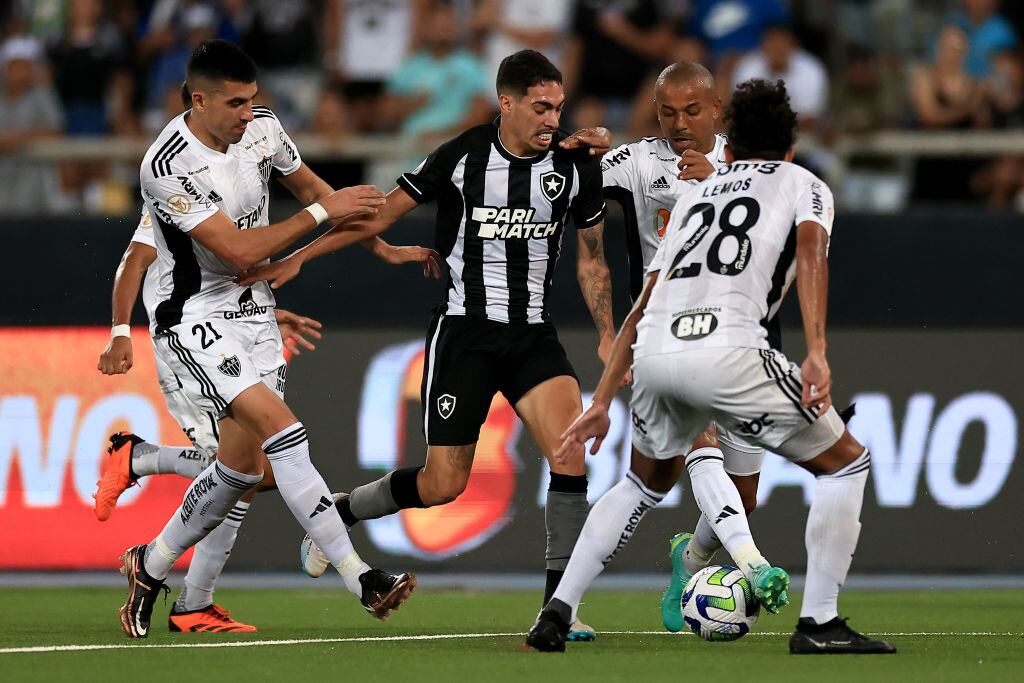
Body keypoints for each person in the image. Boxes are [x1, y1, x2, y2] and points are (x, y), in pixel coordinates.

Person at [241, 49, 616, 642]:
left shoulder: (574, 167)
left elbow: (592, 259)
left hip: (533, 337)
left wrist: (607, 334)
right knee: (445, 484)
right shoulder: (462, 155)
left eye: (559, 108)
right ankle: (341, 511)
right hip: (465, 334)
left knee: (569, 456)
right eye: (541, 107)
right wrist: (299, 258)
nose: (553, 119)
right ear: (507, 103)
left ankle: (558, 610)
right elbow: (377, 217)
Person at [526, 79, 897, 656]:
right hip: (730, 350)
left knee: (642, 484)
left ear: (731, 138)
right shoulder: (804, 183)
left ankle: (556, 613)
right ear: (789, 148)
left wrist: (601, 400)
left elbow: (645, 301)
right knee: (846, 464)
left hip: (656, 352)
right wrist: (818, 351)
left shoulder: (697, 197)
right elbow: (810, 254)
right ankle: (820, 623)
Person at [117, 39, 416, 639]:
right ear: (198, 100)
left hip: (254, 309)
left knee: (241, 470)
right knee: (285, 431)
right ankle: (361, 577)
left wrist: (376, 242)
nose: (246, 114)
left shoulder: (263, 127)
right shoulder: (167, 165)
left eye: (252, 99)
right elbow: (238, 249)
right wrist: (325, 213)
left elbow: (311, 188)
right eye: (234, 103)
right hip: (191, 315)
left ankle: (150, 564)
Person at [601, 61, 776, 634]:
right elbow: (573, 187)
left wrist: (720, 179)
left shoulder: (747, 164)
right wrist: (582, 151)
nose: (679, 124)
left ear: (717, 109)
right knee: (696, 449)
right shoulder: (635, 163)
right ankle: (753, 565)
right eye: (668, 113)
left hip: (741, 334)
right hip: (667, 336)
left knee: (743, 496)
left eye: (692, 111)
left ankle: (692, 557)